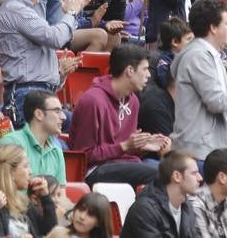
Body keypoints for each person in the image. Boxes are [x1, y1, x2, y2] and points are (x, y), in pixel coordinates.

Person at [0, 0, 89, 122]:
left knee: (77, 124)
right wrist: (71, 12)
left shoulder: (23, 10)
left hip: (35, 93)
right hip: (27, 95)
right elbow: (56, 38)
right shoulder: (16, 10)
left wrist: (59, 72)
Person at [69, 43, 169, 186]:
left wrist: (141, 146)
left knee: (174, 170)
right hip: (95, 169)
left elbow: (125, 150)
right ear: (129, 71)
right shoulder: (93, 101)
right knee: (159, 174)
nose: (149, 75)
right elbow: (84, 156)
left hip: (123, 163)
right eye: (145, 69)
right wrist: (124, 146)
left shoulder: (133, 100)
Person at [172, 0, 227, 161]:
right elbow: (218, 102)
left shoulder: (211, 55)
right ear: (213, 28)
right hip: (199, 156)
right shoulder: (198, 56)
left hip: (211, 154)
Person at [119, 150, 201, 238]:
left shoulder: (186, 206)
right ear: (177, 176)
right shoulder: (145, 210)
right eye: (194, 173)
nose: (200, 178)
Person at [2, 89, 67, 183]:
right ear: (39, 114)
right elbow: (4, 189)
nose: (64, 117)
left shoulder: (56, 150)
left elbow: (60, 195)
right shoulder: (11, 143)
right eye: (57, 111)